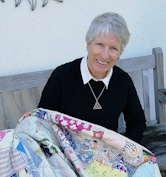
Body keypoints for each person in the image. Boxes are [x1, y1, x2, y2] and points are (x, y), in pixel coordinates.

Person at [38, 12, 146, 143]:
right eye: (99, 44)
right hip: (66, 155)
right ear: (88, 43)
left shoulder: (123, 81)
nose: (105, 55)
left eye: (113, 48)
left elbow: (137, 121)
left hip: (107, 157)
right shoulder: (62, 76)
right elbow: (42, 121)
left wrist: (124, 150)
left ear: (119, 53)